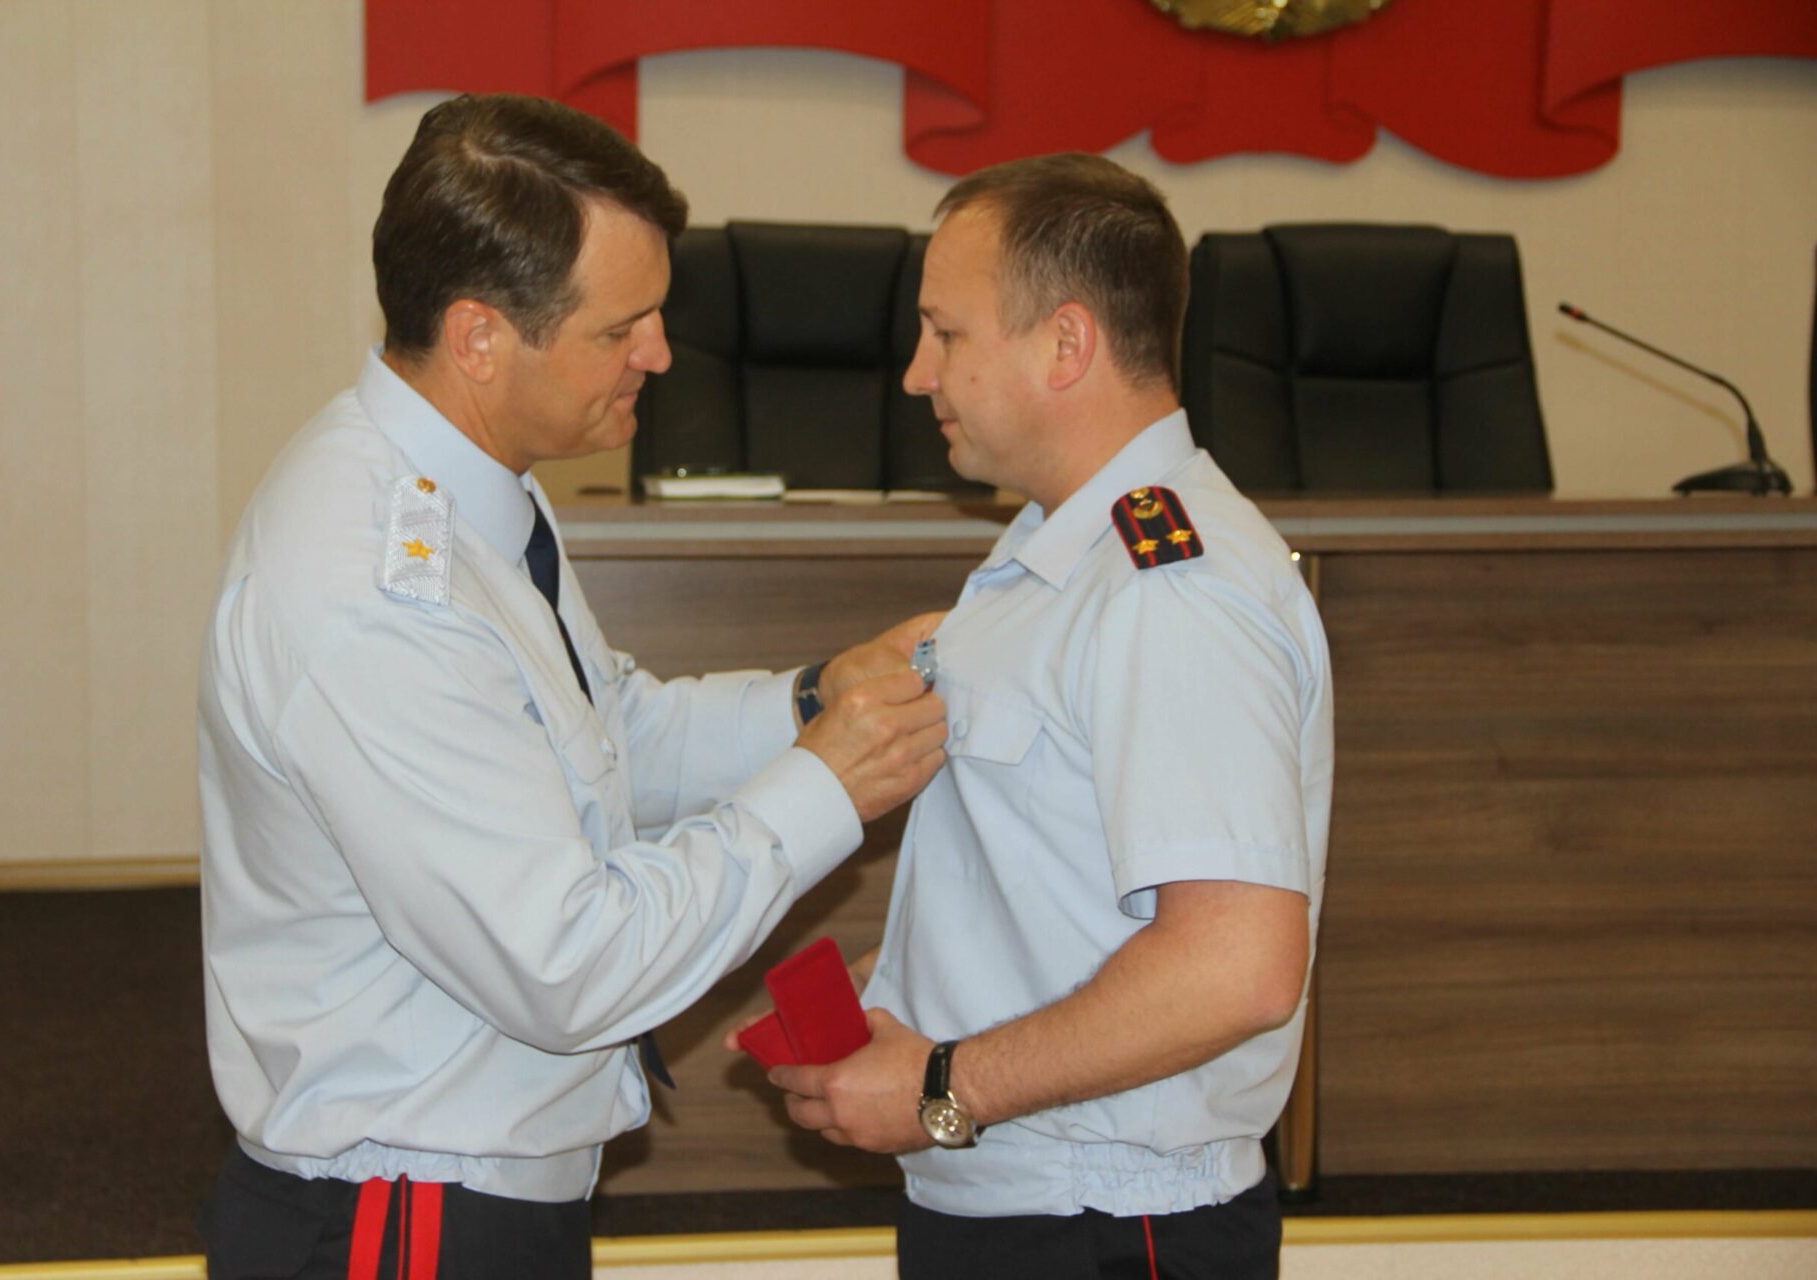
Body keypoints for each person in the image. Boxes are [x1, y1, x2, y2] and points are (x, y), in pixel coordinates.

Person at [195, 94, 948, 1280]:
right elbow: (569, 963)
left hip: (461, 1185)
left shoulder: (467, 487)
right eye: (622, 328)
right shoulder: (374, 592)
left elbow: (608, 729)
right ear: (480, 338)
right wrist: (826, 788)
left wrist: (812, 699)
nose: (660, 354)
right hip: (402, 1217)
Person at [742, 154, 1334, 1279]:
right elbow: (1058, 881)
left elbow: (1237, 965)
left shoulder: (1173, 586)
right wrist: (912, 978)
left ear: (1066, 345)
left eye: (946, 333)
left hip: (1108, 1224)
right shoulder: (1061, 550)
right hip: (1027, 1202)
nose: (917, 374)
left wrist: (943, 1085)